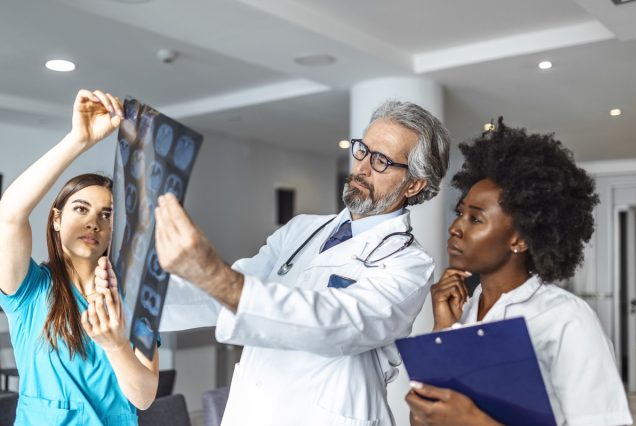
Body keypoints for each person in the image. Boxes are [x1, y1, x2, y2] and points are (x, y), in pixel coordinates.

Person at [152, 100, 450, 425]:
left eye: (381, 161)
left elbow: (337, 324)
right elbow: (229, 291)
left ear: (415, 184)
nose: (362, 167)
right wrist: (141, 298)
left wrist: (218, 277)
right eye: (363, 150)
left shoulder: (409, 263)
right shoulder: (302, 229)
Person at [405, 118, 632, 426]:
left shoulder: (566, 319)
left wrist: (474, 422)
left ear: (520, 239)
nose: (455, 228)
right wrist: (443, 330)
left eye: (475, 219)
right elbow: (422, 420)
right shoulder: (464, 310)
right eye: (460, 213)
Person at [0, 89, 159, 425]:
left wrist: (116, 344)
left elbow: (144, 397)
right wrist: (78, 140)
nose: (93, 222)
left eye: (107, 214)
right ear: (56, 219)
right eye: (81, 209)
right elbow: (9, 215)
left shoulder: (134, 298)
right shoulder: (30, 292)